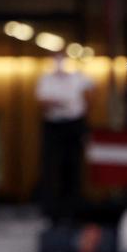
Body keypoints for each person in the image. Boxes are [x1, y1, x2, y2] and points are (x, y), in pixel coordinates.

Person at [35, 52, 94, 218]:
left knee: (73, 166)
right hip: (54, 126)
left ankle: (73, 207)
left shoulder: (78, 77)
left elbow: (91, 90)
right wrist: (58, 102)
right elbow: (42, 102)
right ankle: (52, 208)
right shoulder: (46, 79)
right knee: (52, 166)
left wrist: (84, 111)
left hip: (74, 124)